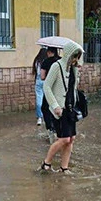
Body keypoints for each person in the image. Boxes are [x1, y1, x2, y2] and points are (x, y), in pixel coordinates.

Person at [40, 41, 84, 174]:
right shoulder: (56, 66)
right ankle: (46, 163)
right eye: (74, 56)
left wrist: (77, 71)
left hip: (71, 108)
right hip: (59, 109)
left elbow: (74, 88)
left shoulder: (73, 69)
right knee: (64, 139)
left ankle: (64, 168)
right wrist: (55, 106)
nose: (75, 59)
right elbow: (46, 86)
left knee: (71, 139)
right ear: (68, 54)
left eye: (77, 56)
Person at [39, 47, 61, 136]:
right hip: (61, 89)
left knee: (45, 107)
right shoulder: (61, 61)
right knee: (60, 107)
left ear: (48, 52)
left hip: (50, 88)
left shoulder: (46, 62)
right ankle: (59, 128)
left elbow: (42, 77)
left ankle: (51, 129)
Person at [33, 48, 50, 126]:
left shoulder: (36, 61)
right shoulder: (46, 61)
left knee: (39, 98)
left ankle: (39, 118)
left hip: (38, 81)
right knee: (47, 98)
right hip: (45, 80)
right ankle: (48, 115)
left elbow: (36, 72)